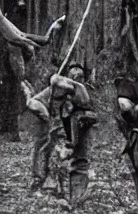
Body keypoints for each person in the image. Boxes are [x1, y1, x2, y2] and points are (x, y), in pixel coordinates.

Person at [26, 64, 97, 204]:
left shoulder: (84, 90)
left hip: (79, 131)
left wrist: (88, 117)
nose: (77, 76)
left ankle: (77, 198)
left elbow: (92, 109)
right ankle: (52, 193)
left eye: (80, 76)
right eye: (73, 74)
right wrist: (43, 112)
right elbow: (34, 102)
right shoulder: (53, 91)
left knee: (80, 163)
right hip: (58, 132)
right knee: (53, 159)